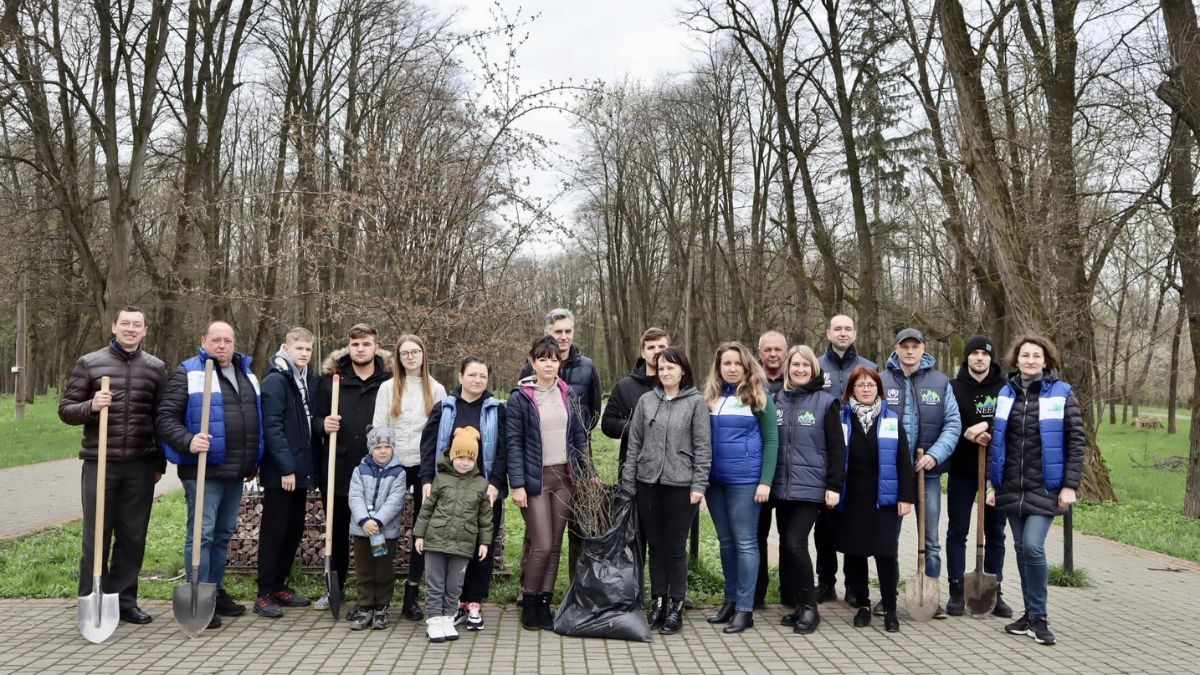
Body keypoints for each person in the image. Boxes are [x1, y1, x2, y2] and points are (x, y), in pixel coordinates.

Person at [59, 305, 166, 626]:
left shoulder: (156, 368)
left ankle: (124, 600)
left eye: (137, 325)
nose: (131, 329)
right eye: (125, 324)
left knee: (133, 535)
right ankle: (90, 599)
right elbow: (65, 409)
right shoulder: (90, 363)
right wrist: (92, 405)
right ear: (114, 327)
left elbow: (160, 418)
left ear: (145, 330)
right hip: (99, 462)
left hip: (140, 463)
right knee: (96, 536)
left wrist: (159, 461)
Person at [157, 320, 263, 630]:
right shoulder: (188, 373)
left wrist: (253, 459)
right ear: (203, 340)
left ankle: (214, 591)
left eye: (227, 340)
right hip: (204, 470)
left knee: (223, 534)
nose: (221, 345)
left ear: (234, 342)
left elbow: (252, 419)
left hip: (235, 471)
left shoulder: (247, 374)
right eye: (215, 340)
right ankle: (197, 595)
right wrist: (189, 440)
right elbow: (165, 419)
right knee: (202, 534)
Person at [987, 336, 1084, 646]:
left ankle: (1040, 618)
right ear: (1016, 360)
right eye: (1024, 355)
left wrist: (1069, 485)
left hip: (1046, 486)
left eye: (1036, 356)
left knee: (1032, 547)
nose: (1030, 360)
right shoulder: (1005, 393)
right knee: (1019, 549)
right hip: (1011, 486)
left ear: (1046, 361)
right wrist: (992, 484)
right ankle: (1029, 615)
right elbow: (998, 442)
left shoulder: (1061, 392)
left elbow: (1076, 441)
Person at [620, 347, 711, 636]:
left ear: (683, 370)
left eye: (671, 367)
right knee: (655, 547)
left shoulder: (695, 402)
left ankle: (676, 605)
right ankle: (657, 602)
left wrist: (698, 485)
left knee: (675, 548)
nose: (665, 372)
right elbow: (634, 443)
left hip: (680, 485)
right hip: (648, 484)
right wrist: (629, 482)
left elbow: (703, 447)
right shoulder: (647, 401)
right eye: (661, 368)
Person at [506, 336, 591, 631]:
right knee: (540, 544)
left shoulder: (568, 395)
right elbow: (513, 444)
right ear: (533, 362)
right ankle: (529, 601)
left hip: (564, 479)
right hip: (535, 480)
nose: (548, 363)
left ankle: (545, 603)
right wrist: (517, 484)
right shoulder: (521, 397)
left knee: (555, 544)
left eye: (553, 359)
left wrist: (587, 470)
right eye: (542, 358)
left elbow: (580, 437)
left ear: (559, 363)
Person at [420, 355, 507, 632]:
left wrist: (495, 483)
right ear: (460, 377)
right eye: (472, 374)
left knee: (482, 546)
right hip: (447, 491)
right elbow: (428, 445)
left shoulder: (496, 410)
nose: (477, 380)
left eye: (482, 375)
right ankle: (451, 605)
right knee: (449, 546)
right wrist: (426, 480)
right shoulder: (444, 408)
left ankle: (474, 603)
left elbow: (504, 450)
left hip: (484, 491)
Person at [879, 328, 961, 618]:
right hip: (892, 474)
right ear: (897, 349)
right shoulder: (882, 379)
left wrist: (935, 455)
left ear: (923, 349)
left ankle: (931, 596)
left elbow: (953, 423)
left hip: (928, 473)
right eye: (905, 346)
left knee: (930, 539)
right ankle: (887, 595)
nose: (910, 351)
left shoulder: (939, 382)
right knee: (889, 536)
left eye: (915, 346)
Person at [516, 309, 603, 585]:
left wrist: (583, 460)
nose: (563, 337)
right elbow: (520, 424)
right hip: (537, 468)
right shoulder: (529, 374)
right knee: (537, 537)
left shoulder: (587, 368)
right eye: (558, 331)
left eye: (568, 331)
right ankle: (527, 591)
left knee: (570, 532)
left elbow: (592, 414)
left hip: (572, 464)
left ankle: (568, 593)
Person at [311, 324, 393, 614]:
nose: (360, 349)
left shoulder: (388, 381)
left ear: (375, 346)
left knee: (373, 530)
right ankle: (335, 586)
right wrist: (323, 424)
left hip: (376, 471)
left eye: (366, 344)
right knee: (337, 528)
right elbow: (314, 417)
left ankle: (372, 591)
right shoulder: (331, 380)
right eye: (355, 344)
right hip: (339, 466)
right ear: (348, 346)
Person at [703, 341, 778, 634]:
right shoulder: (711, 398)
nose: (732, 369)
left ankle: (746, 609)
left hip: (746, 481)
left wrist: (765, 481)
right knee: (725, 543)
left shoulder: (758, 398)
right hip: (715, 482)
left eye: (737, 364)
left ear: (746, 366)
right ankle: (730, 600)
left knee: (745, 543)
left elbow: (772, 441)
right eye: (726, 364)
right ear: (718, 368)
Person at [372, 334, 446, 621]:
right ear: (398, 358)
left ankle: (412, 593)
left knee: (421, 529)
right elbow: (380, 428)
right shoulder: (388, 388)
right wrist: (383, 462)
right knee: (382, 523)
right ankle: (377, 593)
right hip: (393, 466)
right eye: (405, 353)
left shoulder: (437, 389)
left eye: (415, 352)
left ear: (423, 355)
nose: (411, 357)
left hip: (425, 467)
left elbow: (441, 432)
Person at [835, 366, 914, 633]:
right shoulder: (842, 420)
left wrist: (906, 497)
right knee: (856, 553)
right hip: (853, 497)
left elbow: (904, 460)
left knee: (886, 553)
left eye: (870, 385)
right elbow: (834, 457)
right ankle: (863, 606)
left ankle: (890, 608)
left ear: (878, 389)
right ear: (851, 391)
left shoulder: (892, 420)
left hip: (884, 499)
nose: (866, 389)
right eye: (860, 385)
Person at [773, 346, 845, 634]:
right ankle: (798, 603)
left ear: (814, 369)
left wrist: (834, 485)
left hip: (811, 488)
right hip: (782, 488)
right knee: (787, 547)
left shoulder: (826, 403)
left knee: (795, 543)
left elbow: (837, 448)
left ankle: (810, 609)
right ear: (788, 368)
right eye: (795, 365)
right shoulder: (776, 400)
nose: (800, 370)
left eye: (806, 365)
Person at [254, 327, 319, 618]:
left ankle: (280, 585)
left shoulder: (303, 380)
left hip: (300, 471)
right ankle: (264, 592)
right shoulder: (276, 382)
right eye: (299, 348)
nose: (304, 353)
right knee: (275, 530)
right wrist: (286, 468)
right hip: (282, 473)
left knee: (292, 530)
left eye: (308, 349)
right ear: (286, 348)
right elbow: (272, 427)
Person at [945, 336, 1011, 618]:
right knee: (958, 530)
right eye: (973, 354)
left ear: (991, 358)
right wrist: (968, 434)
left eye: (984, 354)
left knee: (995, 533)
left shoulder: (1006, 388)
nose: (979, 359)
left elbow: (1012, 420)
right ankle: (957, 588)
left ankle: (994, 589)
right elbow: (949, 421)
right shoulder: (954, 387)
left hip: (996, 472)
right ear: (967, 358)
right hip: (962, 470)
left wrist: (989, 429)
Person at [815, 314, 876, 603]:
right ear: (828, 332)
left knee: (854, 521)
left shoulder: (869, 367)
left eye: (847, 328)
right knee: (824, 523)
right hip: (823, 454)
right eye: (837, 328)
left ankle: (854, 585)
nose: (842, 333)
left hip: (859, 456)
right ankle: (826, 581)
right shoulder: (816, 366)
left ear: (855, 332)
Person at [414, 428, 493, 643]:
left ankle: (448, 620)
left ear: (475, 459)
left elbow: (485, 517)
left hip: (463, 544)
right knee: (435, 583)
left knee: (454, 586)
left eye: (470, 458)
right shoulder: (441, 480)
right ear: (452, 456)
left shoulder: (481, 484)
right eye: (460, 457)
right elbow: (427, 509)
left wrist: (485, 541)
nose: (465, 462)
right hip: (435, 542)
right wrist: (419, 535)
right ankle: (433, 621)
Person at [347, 427, 407, 631]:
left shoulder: (399, 473)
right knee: (364, 570)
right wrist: (364, 520)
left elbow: (395, 501)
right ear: (371, 448)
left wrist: (378, 521)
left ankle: (382, 607)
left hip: (385, 532)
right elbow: (355, 496)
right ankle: (365, 607)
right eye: (378, 447)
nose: (382, 451)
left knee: (383, 570)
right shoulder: (359, 470)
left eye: (387, 447)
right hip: (362, 530)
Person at [754, 331, 790, 609]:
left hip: (791, 474)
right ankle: (757, 593)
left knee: (791, 538)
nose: (773, 354)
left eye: (778, 349)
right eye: (768, 350)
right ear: (760, 352)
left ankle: (790, 592)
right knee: (757, 536)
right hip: (759, 473)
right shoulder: (751, 382)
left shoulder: (797, 379)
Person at [601, 327, 669, 470]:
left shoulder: (680, 386)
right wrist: (635, 427)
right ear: (643, 354)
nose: (657, 351)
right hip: (634, 470)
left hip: (673, 472)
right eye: (651, 347)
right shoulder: (624, 387)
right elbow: (607, 424)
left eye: (662, 346)